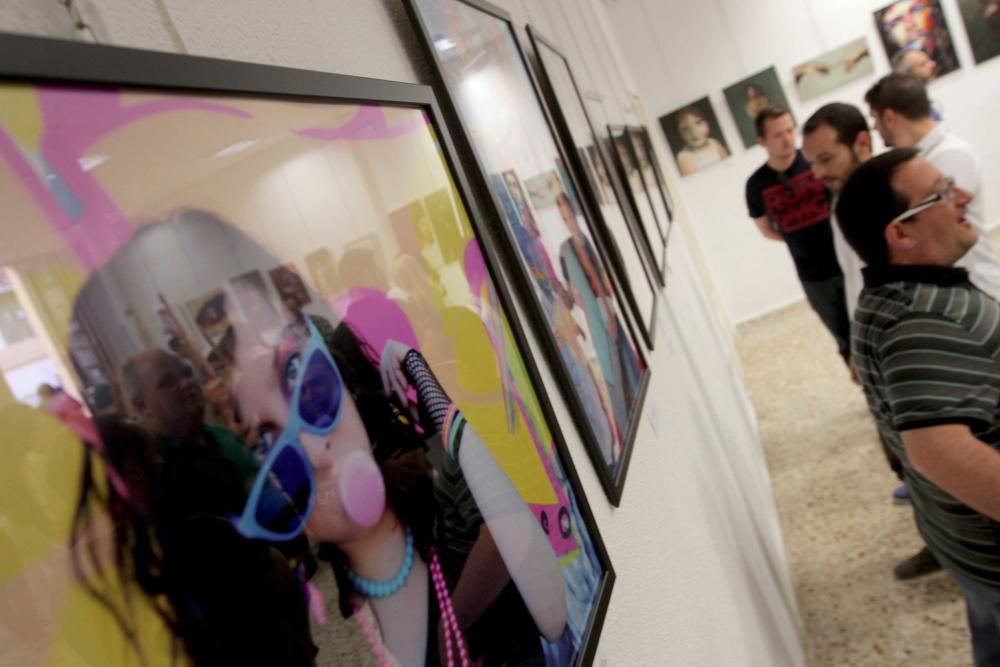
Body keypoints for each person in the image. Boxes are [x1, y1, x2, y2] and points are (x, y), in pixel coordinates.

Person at [72, 209, 569, 666]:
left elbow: (515, 557)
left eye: (309, 389)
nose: (305, 448)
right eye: (269, 433)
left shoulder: (435, 439)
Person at [836, 149, 1000, 666]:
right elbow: (934, 452)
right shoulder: (916, 321)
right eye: (941, 193)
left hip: (962, 544)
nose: (963, 197)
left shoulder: (892, 297)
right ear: (900, 234)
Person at [802, 102, 943, 581]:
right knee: (902, 451)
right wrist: (855, 347)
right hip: (877, 341)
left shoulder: (895, 193)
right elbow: (853, 279)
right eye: (813, 162)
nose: (818, 172)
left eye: (826, 158)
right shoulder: (847, 203)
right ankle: (939, 532)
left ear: (861, 143)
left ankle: (949, 538)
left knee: (930, 449)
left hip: (906, 342)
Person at [865, 73, 1000, 298]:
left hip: (980, 291)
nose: (875, 128)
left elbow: (940, 234)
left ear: (889, 117)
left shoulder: (950, 155)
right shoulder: (927, 158)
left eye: (875, 119)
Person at [745, 105, 851, 363]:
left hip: (847, 258)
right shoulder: (756, 185)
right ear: (762, 141)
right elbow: (765, 229)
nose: (787, 139)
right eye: (777, 134)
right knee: (844, 339)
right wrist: (796, 237)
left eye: (790, 130)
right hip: (813, 276)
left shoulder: (817, 161)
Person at [673, 106, 729, 176]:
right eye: (685, 129)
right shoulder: (684, 156)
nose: (694, 132)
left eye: (698, 123)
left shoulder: (714, 143)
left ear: (707, 122)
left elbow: (729, 164)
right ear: (679, 133)